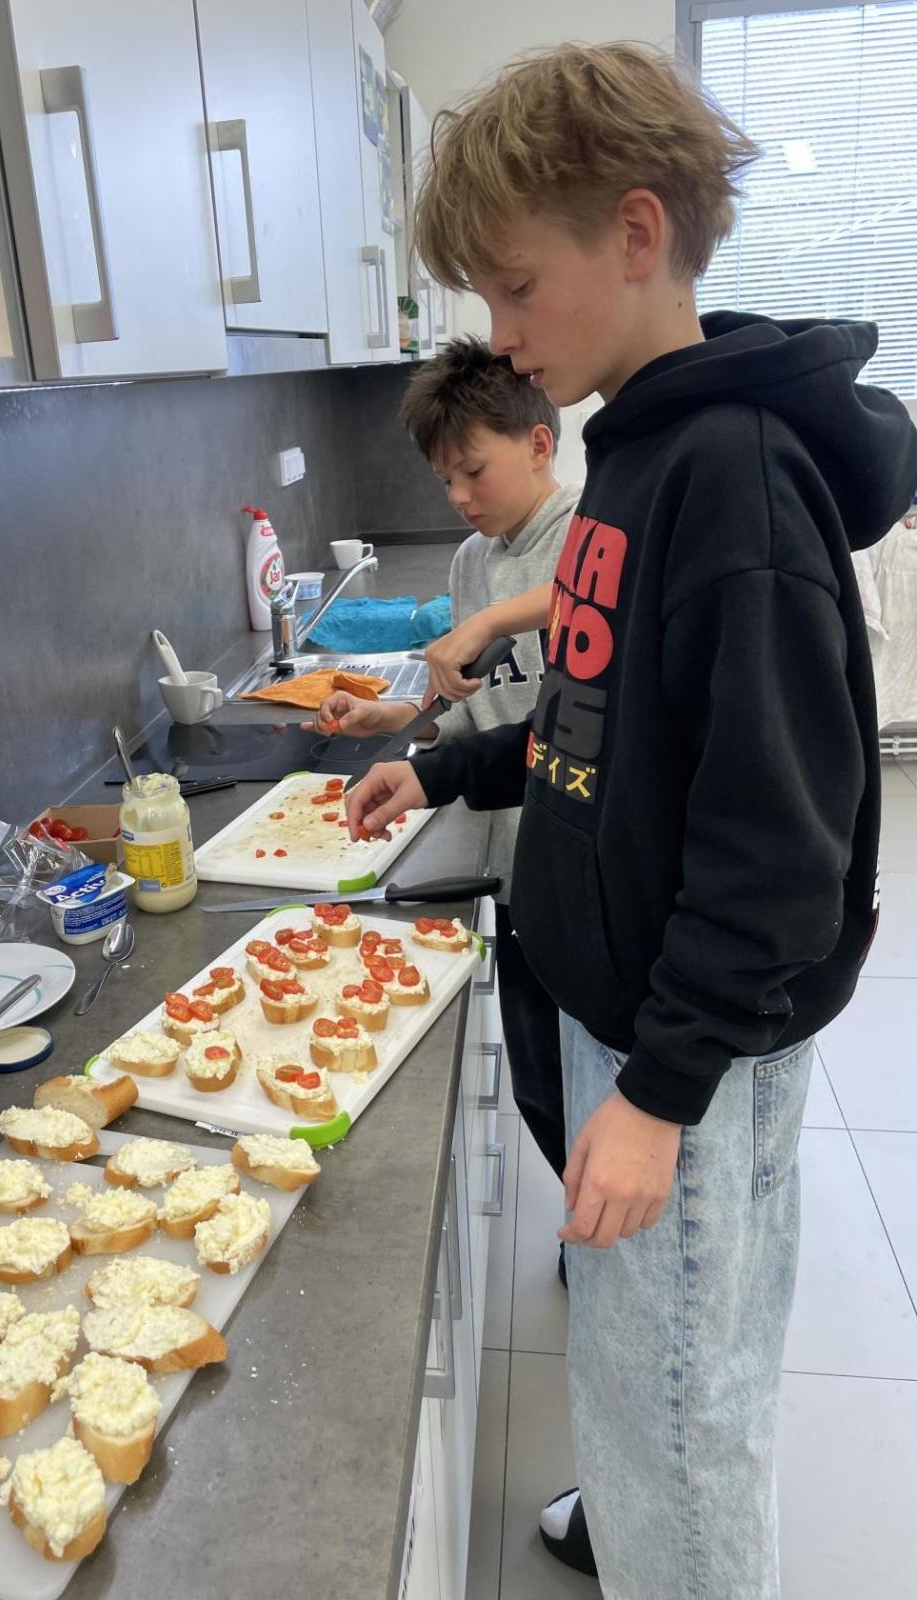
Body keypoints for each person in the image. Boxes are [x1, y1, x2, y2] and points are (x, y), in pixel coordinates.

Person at [345, 42, 917, 1597]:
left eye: (518, 288)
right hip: (636, 1002)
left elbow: (780, 839)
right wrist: (450, 773)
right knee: (652, 1356)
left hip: (687, 1033)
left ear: (639, 233)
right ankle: (635, 1519)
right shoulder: (639, 448)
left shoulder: (734, 478)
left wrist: (661, 1095)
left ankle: (675, 1548)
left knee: (684, 1403)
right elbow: (603, 723)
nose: (503, 335)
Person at [310, 336, 575, 1182]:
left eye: (474, 471)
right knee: (540, 1075)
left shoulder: (588, 533)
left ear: (539, 444)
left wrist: (493, 620)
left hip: (579, 852)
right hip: (508, 854)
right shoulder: (471, 561)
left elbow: (588, 595)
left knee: (591, 1071)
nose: (459, 496)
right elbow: (472, 699)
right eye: (444, 481)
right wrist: (397, 717)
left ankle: (601, 1227)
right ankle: (579, 1211)